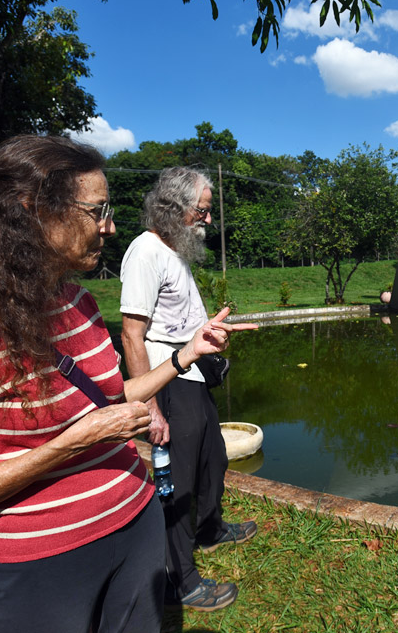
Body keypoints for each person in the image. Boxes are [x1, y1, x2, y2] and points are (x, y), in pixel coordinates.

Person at [0, 136, 255, 633]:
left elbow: (113, 400)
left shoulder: (79, 304)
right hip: (43, 561)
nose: (109, 225)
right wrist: (71, 444)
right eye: (97, 210)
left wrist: (186, 354)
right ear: (32, 213)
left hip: (136, 525)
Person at [120, 167, 256, 612]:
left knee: (211, 457)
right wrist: (151, 408)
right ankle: (180, 579)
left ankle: (211, 529)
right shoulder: (144, 253)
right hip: (168, 381)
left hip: (193, 374)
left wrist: (210, 332)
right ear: (175, 208)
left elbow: (178, 321)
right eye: (202, 210)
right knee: (175, 484)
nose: (208, 219)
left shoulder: (174, 249)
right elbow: (132, 337)